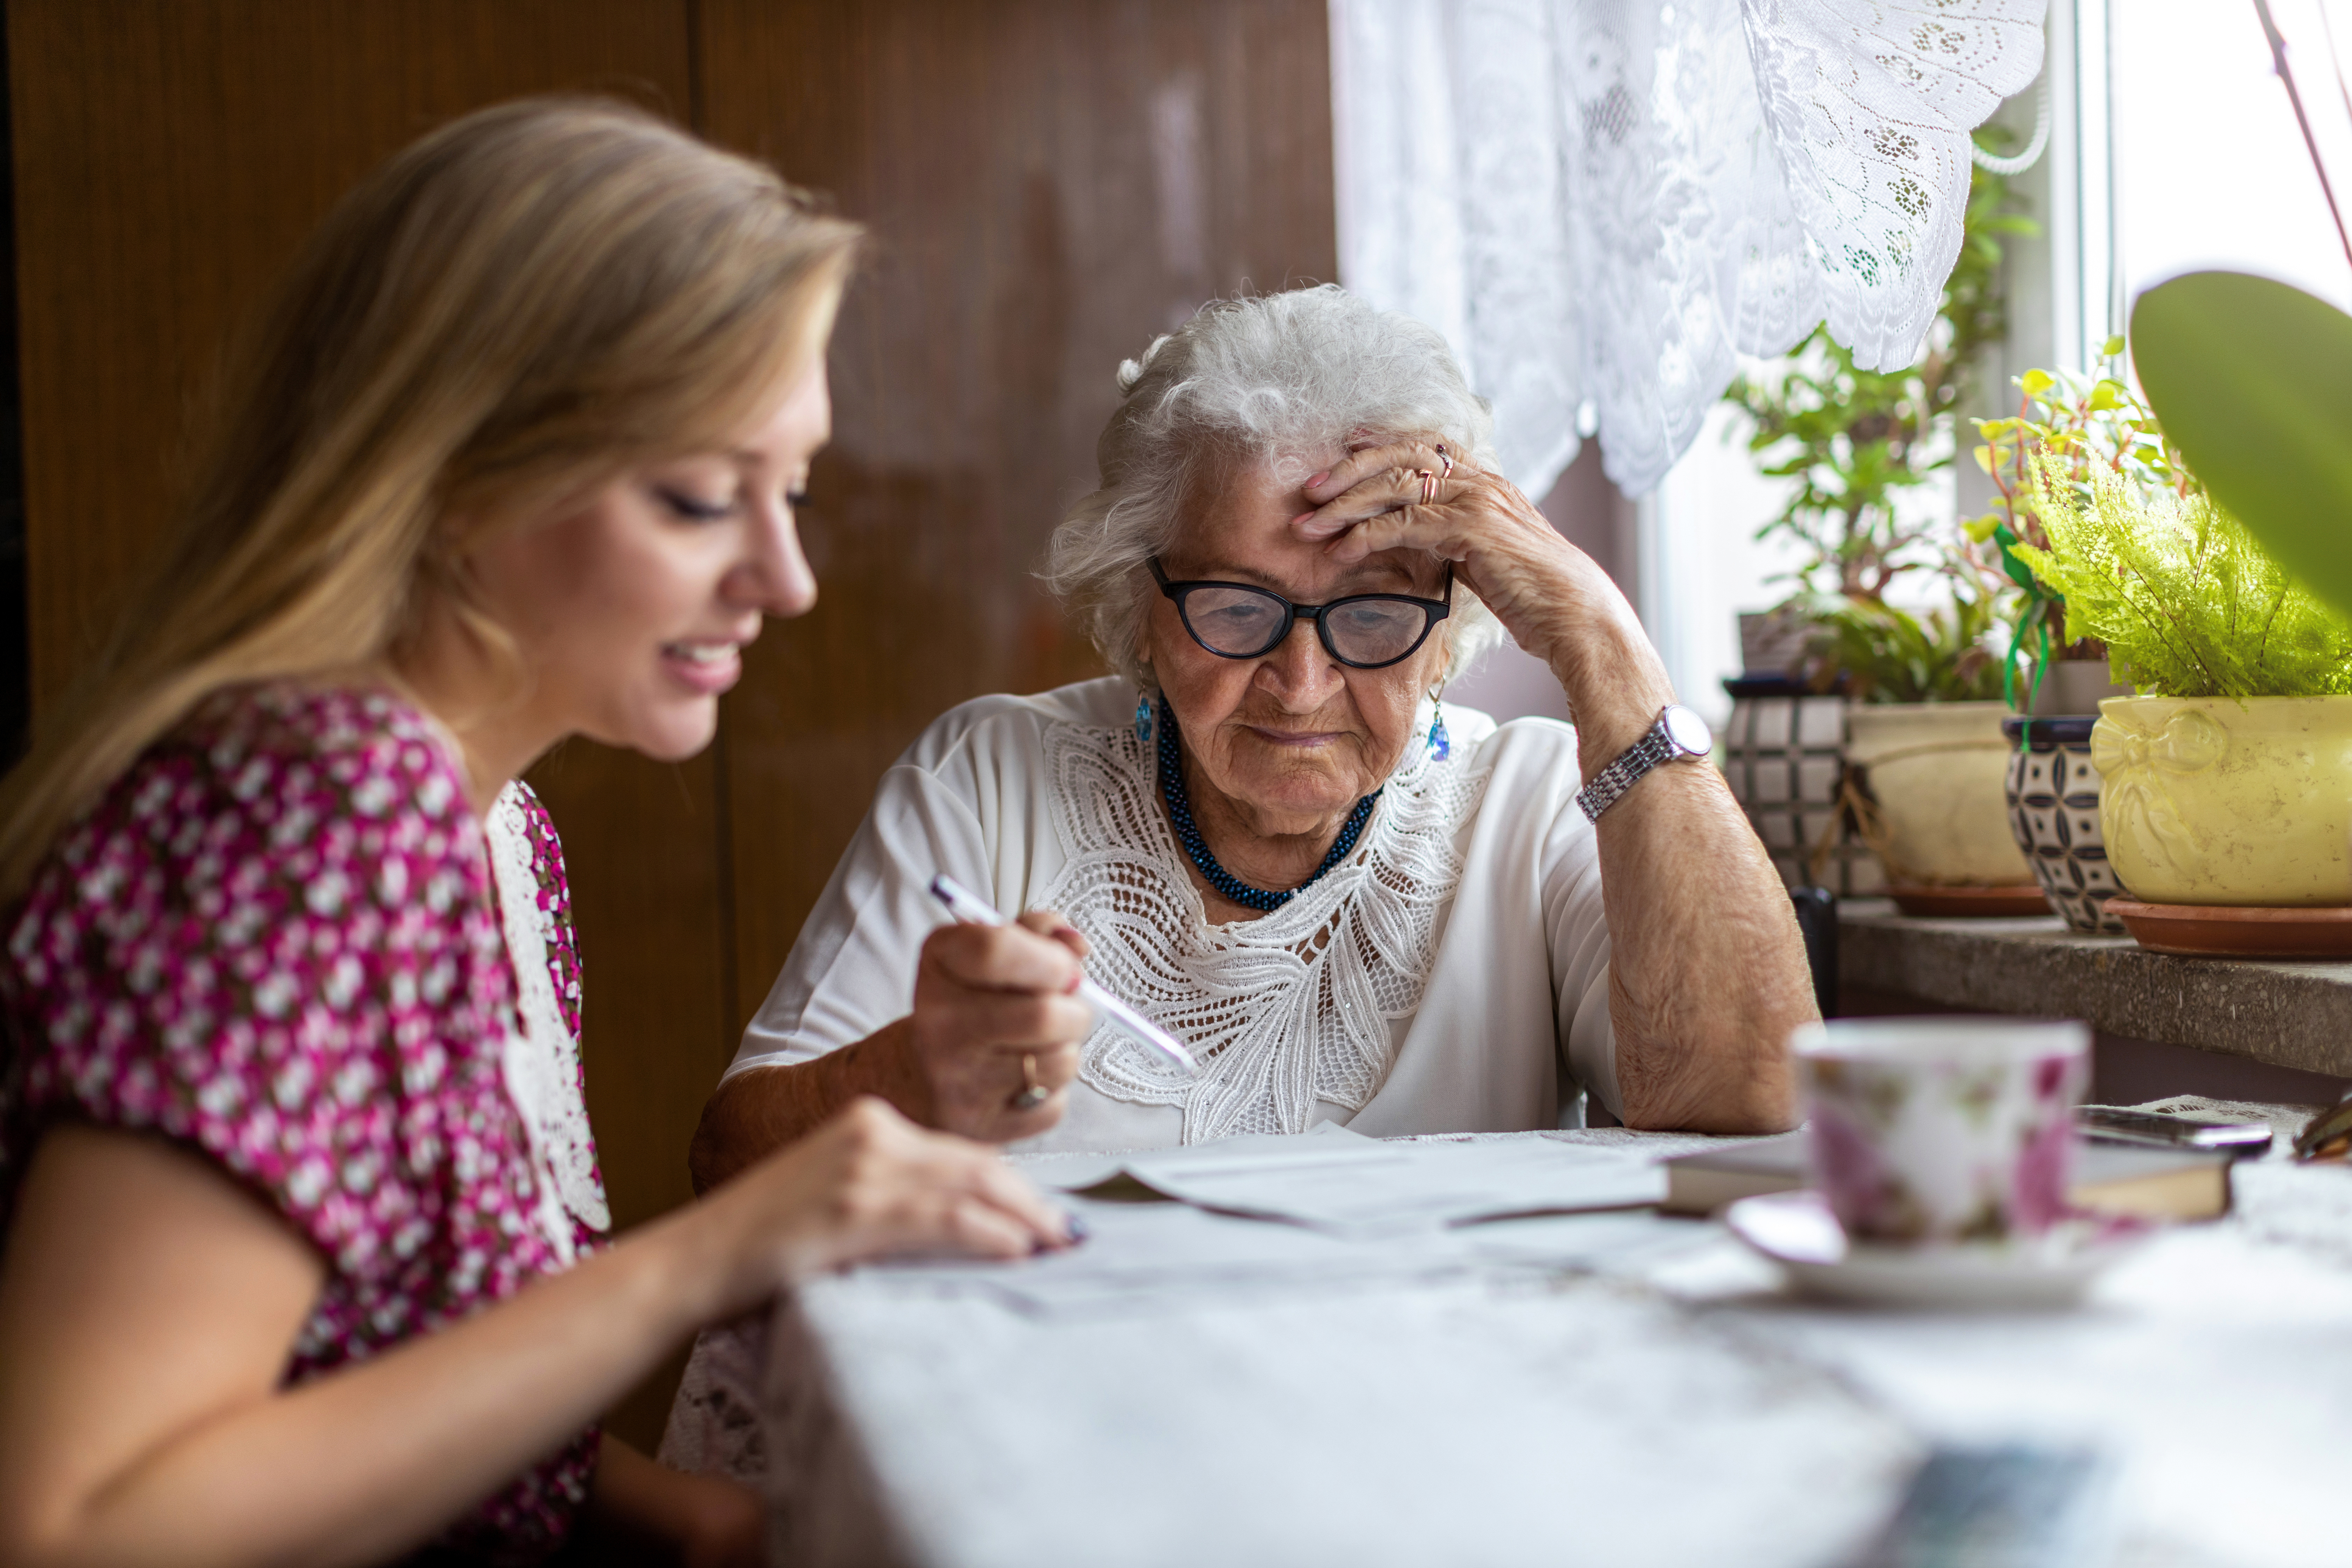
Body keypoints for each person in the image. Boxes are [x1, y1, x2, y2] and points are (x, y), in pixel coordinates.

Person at [0, 99, 1093, 1568]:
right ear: (453, 472)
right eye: (702, 496)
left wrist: (700, 1524)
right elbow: (80, 1525)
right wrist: (715, 1250)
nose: (787, 578)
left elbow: (376, 1378)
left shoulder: (498, 832)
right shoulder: (317, 815)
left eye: (799, 492)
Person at [690, 283, 1812, 1174]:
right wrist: (910, 1074)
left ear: (1446, 621)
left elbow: (1757, 1102)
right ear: (1142, 607)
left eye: (1373, 612)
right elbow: (733, 1162)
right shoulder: (990, 778)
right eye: (1236, 608)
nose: (1302, 681)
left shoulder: (1526, 807)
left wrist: (1602, 641)